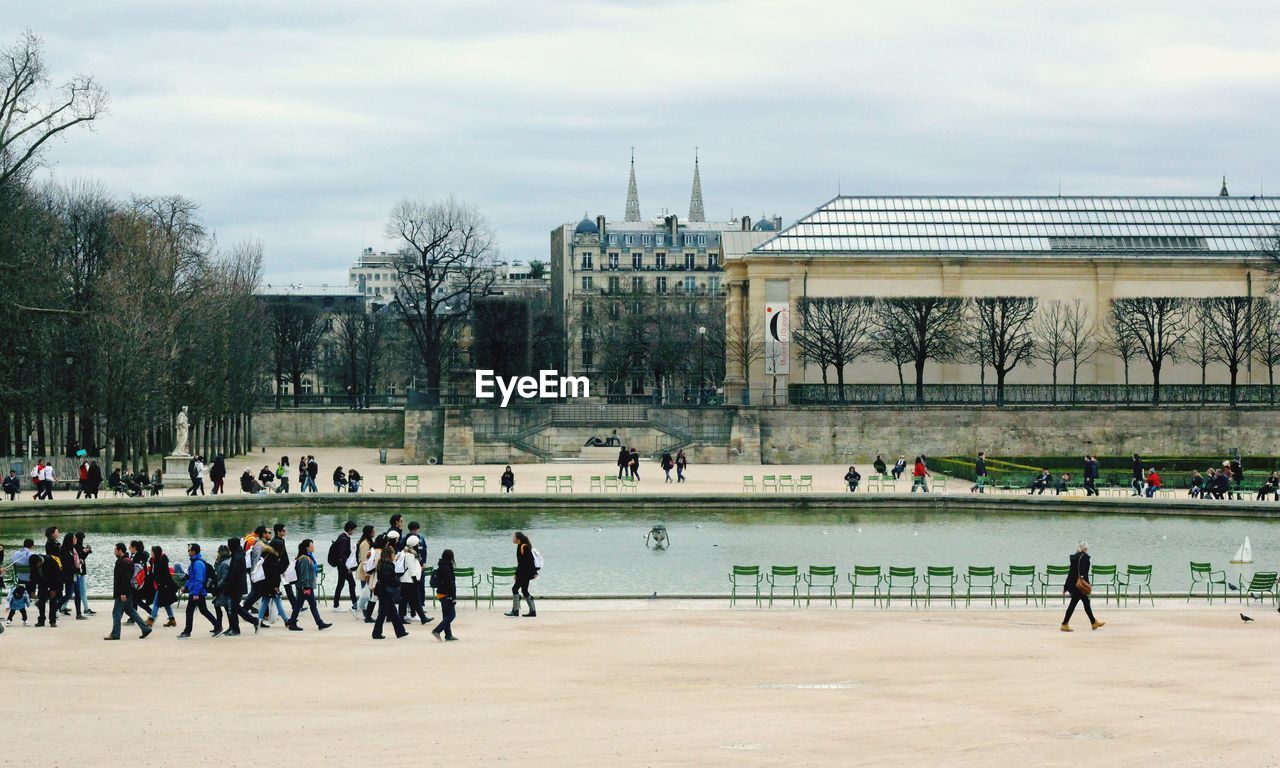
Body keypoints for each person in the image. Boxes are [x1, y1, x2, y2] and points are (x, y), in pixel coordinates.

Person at [105, 543, 151, 640]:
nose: (114, 552)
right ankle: (145, 628)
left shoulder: (124, 562)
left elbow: (125, 579)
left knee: (116, 613)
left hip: (122, 593)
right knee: (131, 611)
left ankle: (115, 634)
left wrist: (123, 593)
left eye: (115, 550)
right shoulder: (126, 560)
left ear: (120, 550)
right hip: (127, 592)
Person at [286, 540, 331, 631]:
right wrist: (306, 587)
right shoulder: (305, 559)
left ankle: (293, 622)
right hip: (305, 586)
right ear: (307, 547)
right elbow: (304, 574)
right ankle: (318, 623)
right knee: (308, 605)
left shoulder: (307, 557)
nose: (313, 547)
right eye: (311, 545)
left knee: (301, 605)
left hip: (305, 586)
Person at [178, 543, 220, 639]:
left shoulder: (197, 563)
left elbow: (199, 579)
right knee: (203, 610)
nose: (188, 552)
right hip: (197, 591)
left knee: (189, 611)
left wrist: (195, 593)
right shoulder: (195, 562)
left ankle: (187, 632)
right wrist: (186, 587)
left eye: (189, 550)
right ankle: (218, 626)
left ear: (194, 551)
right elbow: (191, 578)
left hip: (197, 592)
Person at [1061, 542, 1104, 632]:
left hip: (1072, 584)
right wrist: (1086, 584)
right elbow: (1083, 572)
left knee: (1080, 602)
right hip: (1079, 585)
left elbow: (1071, 572)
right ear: (1084, 549)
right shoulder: (1084, 557)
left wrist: (1066, 586)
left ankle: (1092, 622)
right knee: (1081, 602)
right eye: (1087, 549)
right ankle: (1065, 624)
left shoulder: (1074, 558)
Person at [371, 545, 408, 639]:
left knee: (393, 611)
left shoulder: (382, 563)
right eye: (393, 553)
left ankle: (400, 632)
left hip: (383, 590)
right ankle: (376, 633)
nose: (394, 555)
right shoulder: (387, 565)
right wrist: (397, 581)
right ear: (389, 554)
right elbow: (388, 579)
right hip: (385, 590)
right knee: (384, 613)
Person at [503, 532, 539, 618]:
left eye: (514, 537)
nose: (513, 539)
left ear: (518, 539)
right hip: (524, 573)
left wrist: (534, 572)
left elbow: (530, 561)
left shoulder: (524, 547)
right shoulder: (520, 546)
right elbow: (521, 562)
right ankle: (532, 611)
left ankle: (515, 611)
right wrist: (516, 574)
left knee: (515, 589)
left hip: (524, 573)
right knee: (524, 591)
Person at [398, 535, 431, 625]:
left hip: (407, 580)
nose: (419, 545)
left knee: (404, 600)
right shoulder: (410, 554)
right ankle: (423, 618)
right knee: (415, 599)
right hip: (410, 581)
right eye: (417, 544)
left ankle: (401, 617)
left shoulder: (409, 553)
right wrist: (415, 579)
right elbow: (411, 568)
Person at [146, 545, 178, 627]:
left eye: (152, 552)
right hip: (160, 585)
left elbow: (165, 575)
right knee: (166, 602)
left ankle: (151, 619)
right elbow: (152, 574)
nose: (151, 553)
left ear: (156, 553)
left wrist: (162, 585)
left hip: (164, 585)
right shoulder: (153, 561)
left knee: (156, 602)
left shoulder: (161, 562)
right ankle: (172, 619)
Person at [431, 548, 458, 641]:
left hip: (441, 593)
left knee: (446, 615)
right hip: (446, 594)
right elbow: (450, 583)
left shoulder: (442, 566)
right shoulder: (447, 567)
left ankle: (448, 635)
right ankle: (437, 630)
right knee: (451, 615)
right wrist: (453, 597)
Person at [330, 521, 358, 608]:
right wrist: (348, 566)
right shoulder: (344, 539)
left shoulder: (343, 537)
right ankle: (354, 604)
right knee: (351, 583)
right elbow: (343, 554)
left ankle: (337, 604)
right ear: (349, 529)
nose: (354, 531)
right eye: (353, 530)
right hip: (343, 566)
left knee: (341, 584)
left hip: (341, 565)